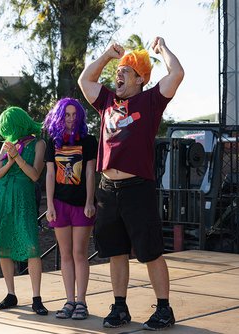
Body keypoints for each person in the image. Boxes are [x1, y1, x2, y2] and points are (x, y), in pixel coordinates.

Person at [78, 37, 184, 330]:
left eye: (126, 70)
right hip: (107, 190)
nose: (119, 74)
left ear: (140, 79)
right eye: (119, 70)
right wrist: (107, 56)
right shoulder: (107, 101)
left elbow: (176, 74)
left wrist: (162, 49)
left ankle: (164, 309)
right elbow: (85, 79)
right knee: (115, 251)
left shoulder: (150, 100)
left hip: (138, 188)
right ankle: (120, 307)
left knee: (150, 251)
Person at [0, 106, 48, 315]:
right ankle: (11, 294)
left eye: (9, 125)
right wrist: (9, 161)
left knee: (31, 246)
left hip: (23, 198)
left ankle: (37, 298)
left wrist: (17, 157)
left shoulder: (39, 143)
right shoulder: (5, 145)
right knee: (4, 244)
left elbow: (35, 175)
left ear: (19, 122)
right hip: (2, 197)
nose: (7, 130)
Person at [44, 98, 98, 320]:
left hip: (81, 205)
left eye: (75, 115)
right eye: (66, 114)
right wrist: (49, 205)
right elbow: (49, 174)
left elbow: (89, 173)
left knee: (79, 253)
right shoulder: (52, 142)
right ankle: (69, 301)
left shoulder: (89, 141)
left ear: (80, 117)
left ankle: (81, 302)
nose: (70, 118)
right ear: (60, 116)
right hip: (59, 204)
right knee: (65, 254)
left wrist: (89, 202)